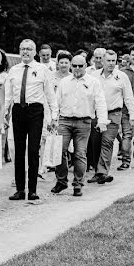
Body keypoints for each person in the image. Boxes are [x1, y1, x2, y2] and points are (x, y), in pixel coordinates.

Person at [4, 39, 57, 201]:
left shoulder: (42, 70)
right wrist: (5, 114)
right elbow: (8, 95)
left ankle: (32, 189)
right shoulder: (13, 70)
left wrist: (54, 116)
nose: (25, 52)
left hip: (35, 110)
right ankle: (20, 189)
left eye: (29, 49)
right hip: (18, 110)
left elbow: (50, 95)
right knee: (19, 151)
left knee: (33, 150)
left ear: (35, 52)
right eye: (22, 49)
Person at [52, 55, 107, 197]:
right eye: (74, 66)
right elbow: (56, 101)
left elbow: (100, 102)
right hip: (64, 120)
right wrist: (53, 119)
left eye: (80, 66)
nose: (77, 69)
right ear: (71, 66)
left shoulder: (93, 82)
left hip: (84, 121)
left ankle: (78, 184)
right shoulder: (64, 82)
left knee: (80, 153)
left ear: (85, 66)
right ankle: (61, 181)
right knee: (59, 151)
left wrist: (102, 121)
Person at [88, 50, 134, 184]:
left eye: (113, 61)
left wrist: (132, 115)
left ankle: (102, 172)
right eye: (108, 61)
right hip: (96, 114)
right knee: (95, 142)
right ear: (102, 61)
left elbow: (128, 97)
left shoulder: (122, 77)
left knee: (107, 141)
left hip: (114, 114)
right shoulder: (93, 75)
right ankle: (98, 171)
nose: (111, 63)